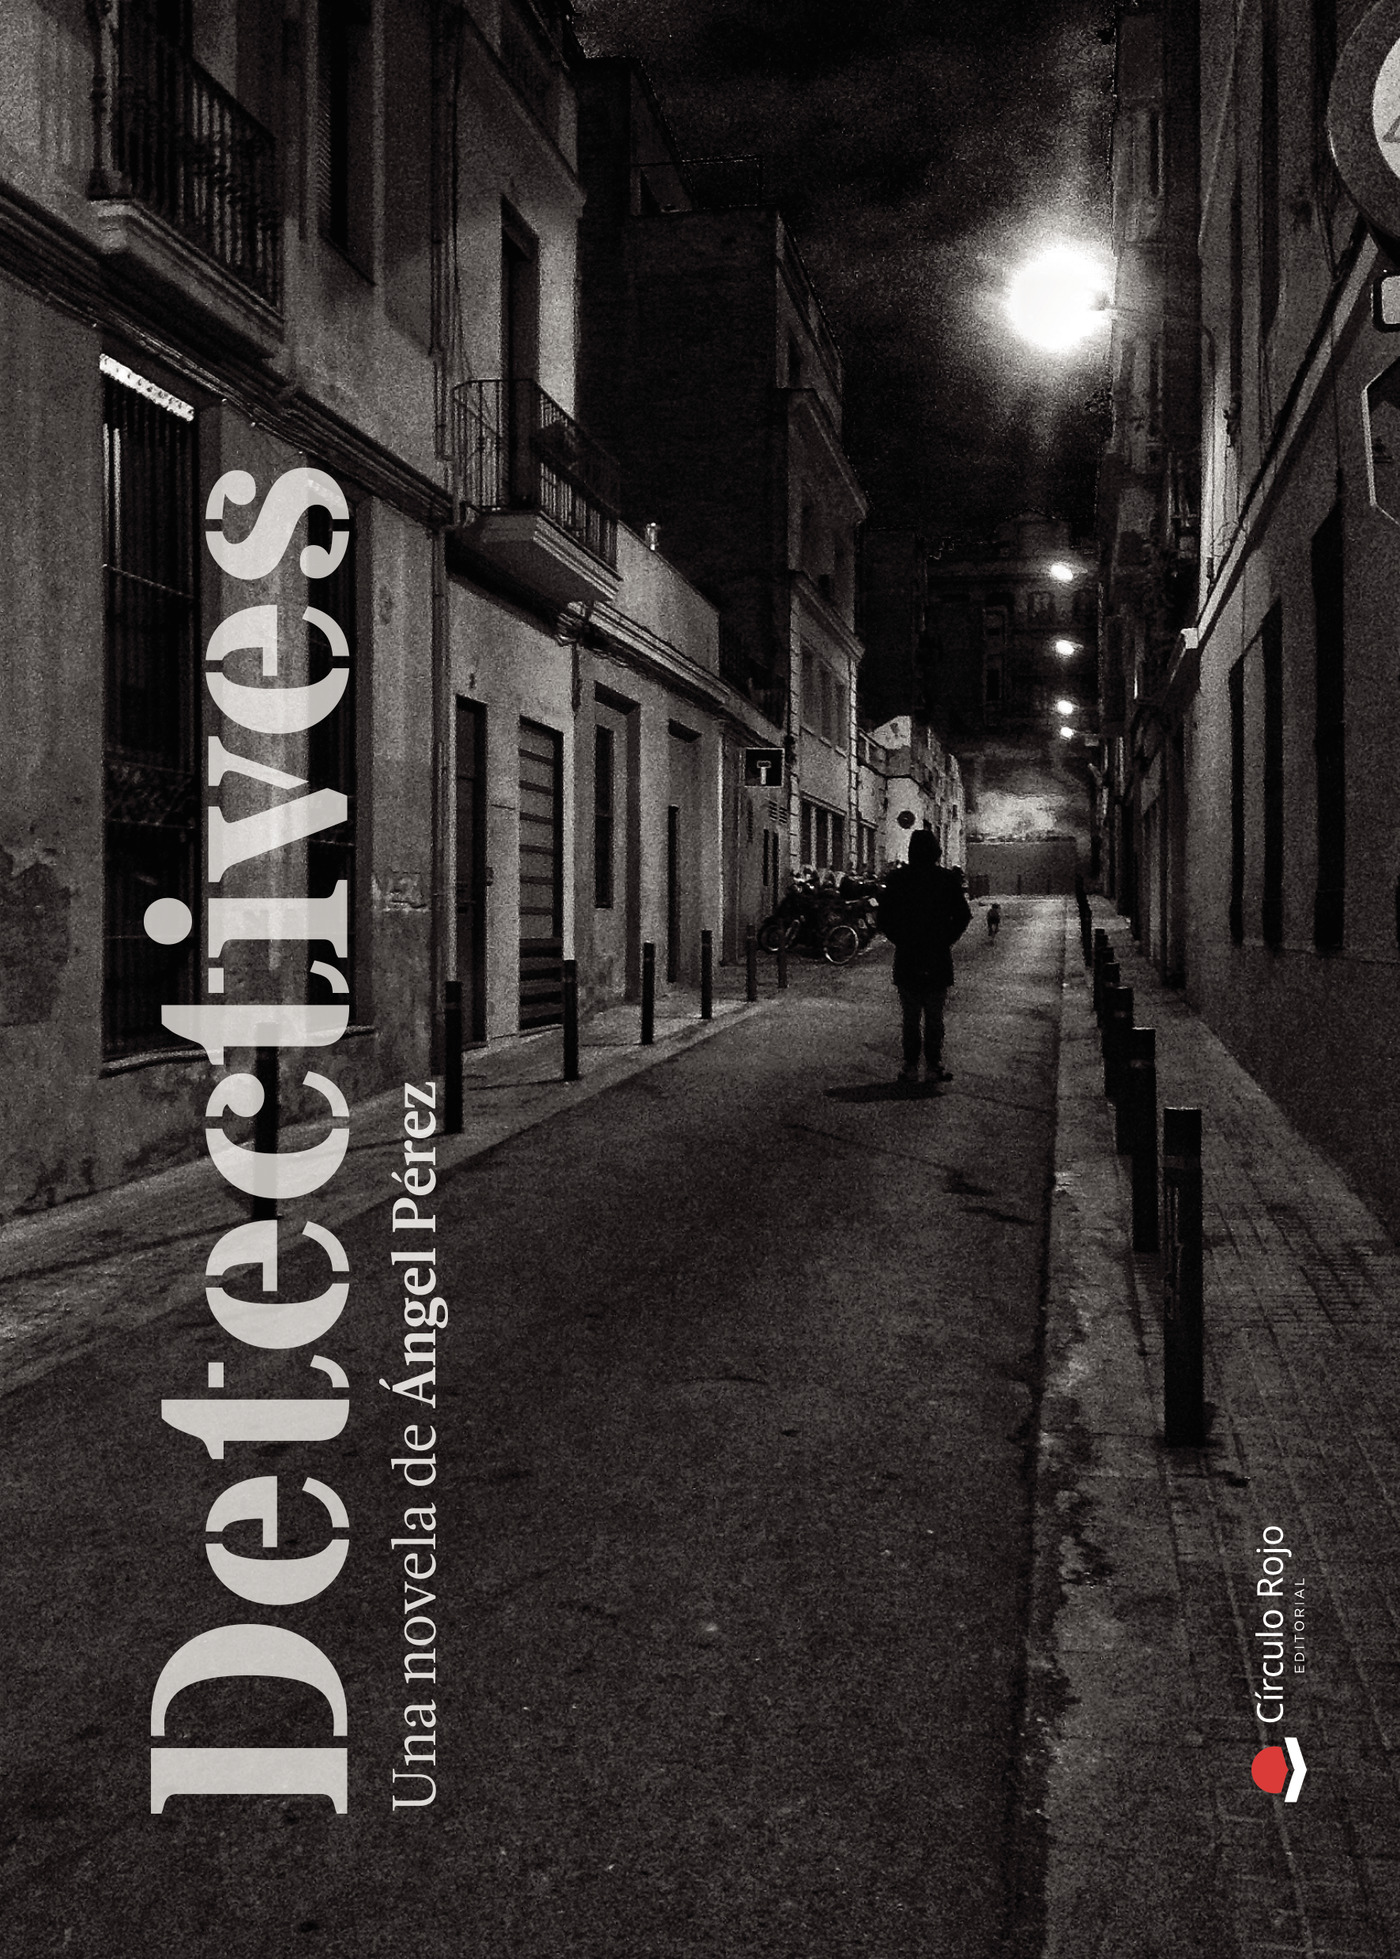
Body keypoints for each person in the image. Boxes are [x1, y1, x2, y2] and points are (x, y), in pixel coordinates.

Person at [879, 830, 972, 1086]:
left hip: (908, 956)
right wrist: (946, 939)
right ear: (935, 851)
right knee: (934, 1016)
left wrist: (901, 939)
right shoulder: (946, 879)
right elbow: (963, 915)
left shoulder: (898, 879)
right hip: (937, 956)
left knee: (910, 1017)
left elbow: (884, 918)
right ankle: (933, 1065)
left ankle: (910, 1067)